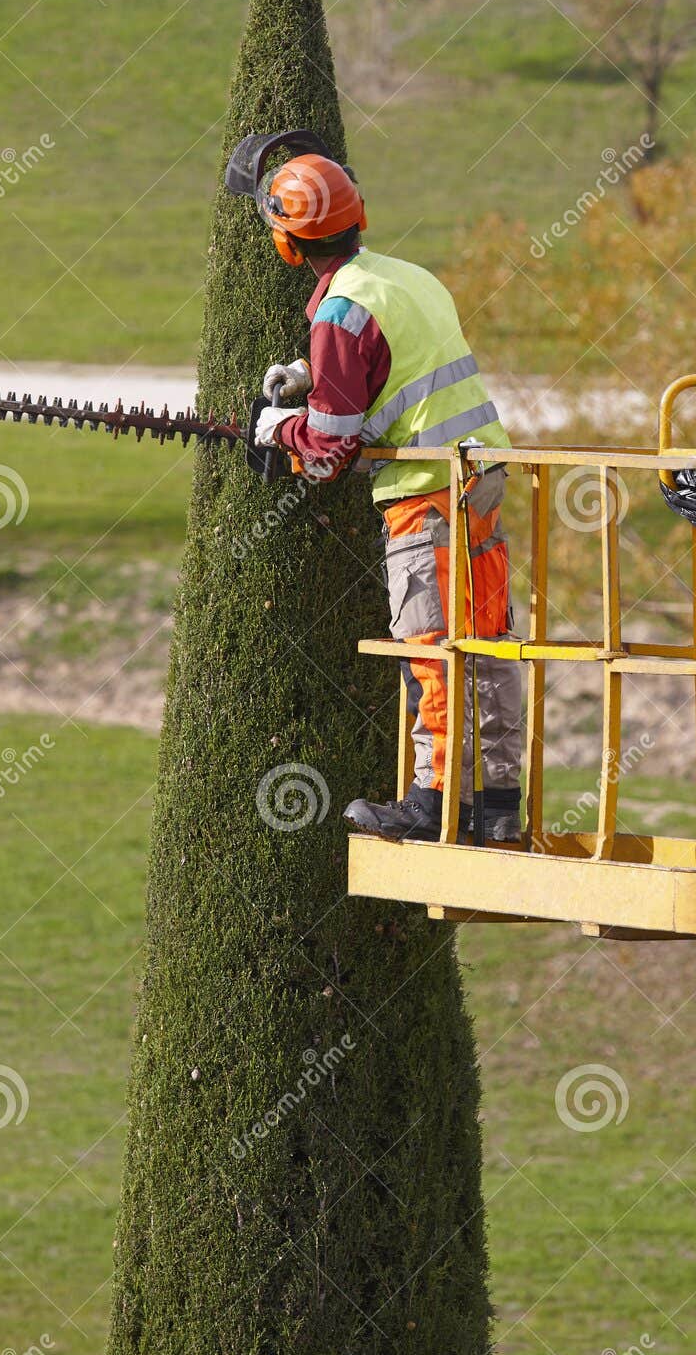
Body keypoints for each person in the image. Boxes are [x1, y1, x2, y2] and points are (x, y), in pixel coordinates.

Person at [224, 130, 522, 842]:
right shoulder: (406, 276)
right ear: (359, 215)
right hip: (480, 479)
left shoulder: (338, 314)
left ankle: (432, 806)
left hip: (426, 496)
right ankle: (498, 809)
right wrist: (310, 379)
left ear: (287, 243)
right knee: (488, 644)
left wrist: (279, 429)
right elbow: (396, 369)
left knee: (433, 647)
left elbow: (328, 454)